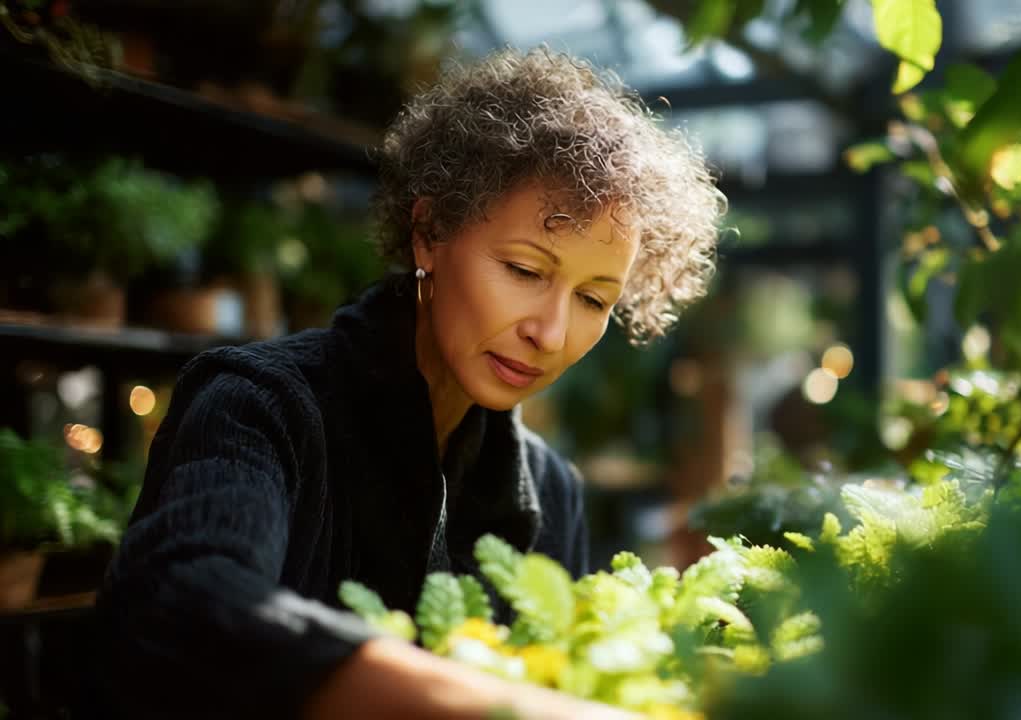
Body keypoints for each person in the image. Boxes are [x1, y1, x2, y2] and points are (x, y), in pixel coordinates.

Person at [92, 47, 725, 719]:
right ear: (429, 233)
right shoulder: (258, 405)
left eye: (594, 300)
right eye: (523, 270)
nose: (551, 331)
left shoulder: (551, 491)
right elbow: (184, 601)